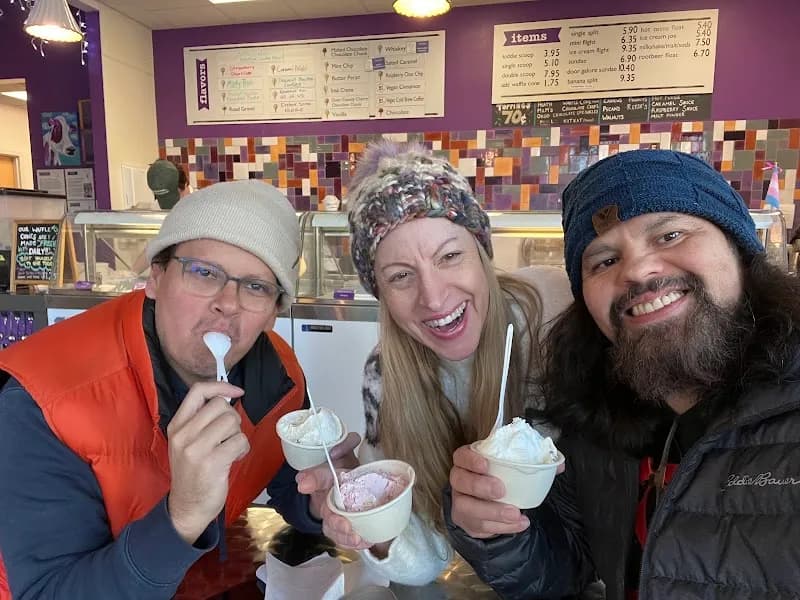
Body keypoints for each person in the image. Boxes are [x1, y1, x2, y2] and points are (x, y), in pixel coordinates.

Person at [445, 149, 800, 598]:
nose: (637, 270)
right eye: (604, 261)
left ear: (739, 248)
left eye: (670, 234)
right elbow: (567, 568)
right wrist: (499, 532)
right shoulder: (597, 422)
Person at [0, 179, 358, 599]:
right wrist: (182, 515)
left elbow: (288, 481)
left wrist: (320, 501)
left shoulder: (278, 377)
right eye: (204, 272)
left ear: (273, 313)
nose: (228, 302)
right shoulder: (42, 402)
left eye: (256, 286)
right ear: (155, 277)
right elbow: (49, 592)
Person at [297, 141, 571, 585]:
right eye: (401, 276)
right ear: (381, 294)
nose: (434, 298)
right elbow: (422, 563)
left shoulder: (553, 317)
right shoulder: (384, 376)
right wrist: (369, 516)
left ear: (482, 256)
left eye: (449, 256)